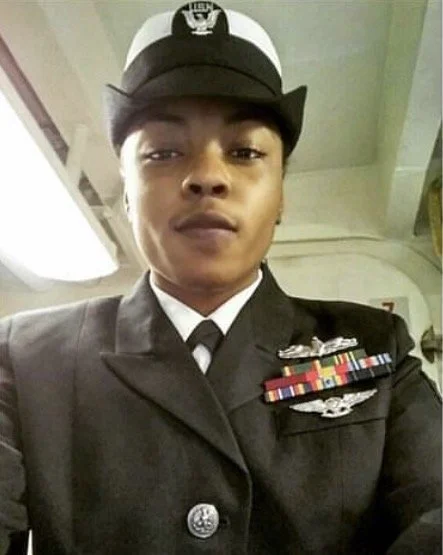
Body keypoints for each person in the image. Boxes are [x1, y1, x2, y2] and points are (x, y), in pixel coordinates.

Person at [0, 2, 441, 554]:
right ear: (128, 196)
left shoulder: (376, 351)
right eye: (163, 152)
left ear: (281, 195)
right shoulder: (25, 358)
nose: (207, 176)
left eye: (244, 152)